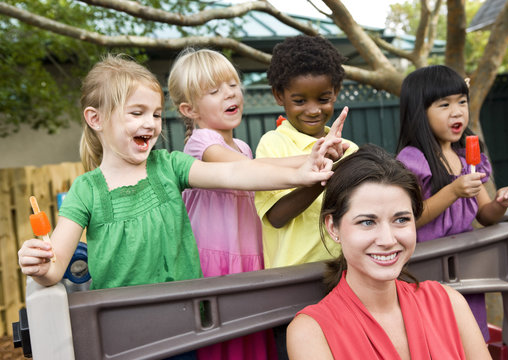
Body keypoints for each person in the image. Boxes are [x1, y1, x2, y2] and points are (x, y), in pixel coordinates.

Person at [17, 54, 338, 305]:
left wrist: (304, 167)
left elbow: (236, 172)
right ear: (96, 119)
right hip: (122, 328)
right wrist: (40, 266)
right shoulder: (86, 190)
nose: (151, 123)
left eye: (156, 114)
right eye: (136, 113)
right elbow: (55, 266)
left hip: (186, 321)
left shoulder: (169, 166)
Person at [167, 48, 349, 360]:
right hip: (215, 265)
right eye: (214, 91)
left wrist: (317, 154)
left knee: (253, 345)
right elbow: (248, 171)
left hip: (249, 259)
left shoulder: (241, 146)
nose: (229, 94)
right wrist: (314, 156)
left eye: (233, 85)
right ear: (189, 109)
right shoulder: (200, 144)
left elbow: (259, 167)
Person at [287, 144, 492, 359]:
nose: (387, 240)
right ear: (333, 227)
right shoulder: (311, 332)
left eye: (401, 220)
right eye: (367, 222)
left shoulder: (449, 303)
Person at [395, 65, 508, 341]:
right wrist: (453, 191)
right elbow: (408, 217)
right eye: (444, 104)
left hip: (468, 271)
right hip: (427, 274)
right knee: (438, 342)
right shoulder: (412, 159)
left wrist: (502, 202)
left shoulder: (466, 158)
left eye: (462, 101)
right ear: (419, 112)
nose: (458, 111)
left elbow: (486, 215)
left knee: (474, 340)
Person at [255, 35, 358, 270]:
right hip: (292, 276)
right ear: (279, 95)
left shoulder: (348, 150)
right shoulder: (272, 145)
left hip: (347, 272)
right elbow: (276, 216)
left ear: (336, 92)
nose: (313, 110)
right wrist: (326, 174)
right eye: (300, 101)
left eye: (323, 99)